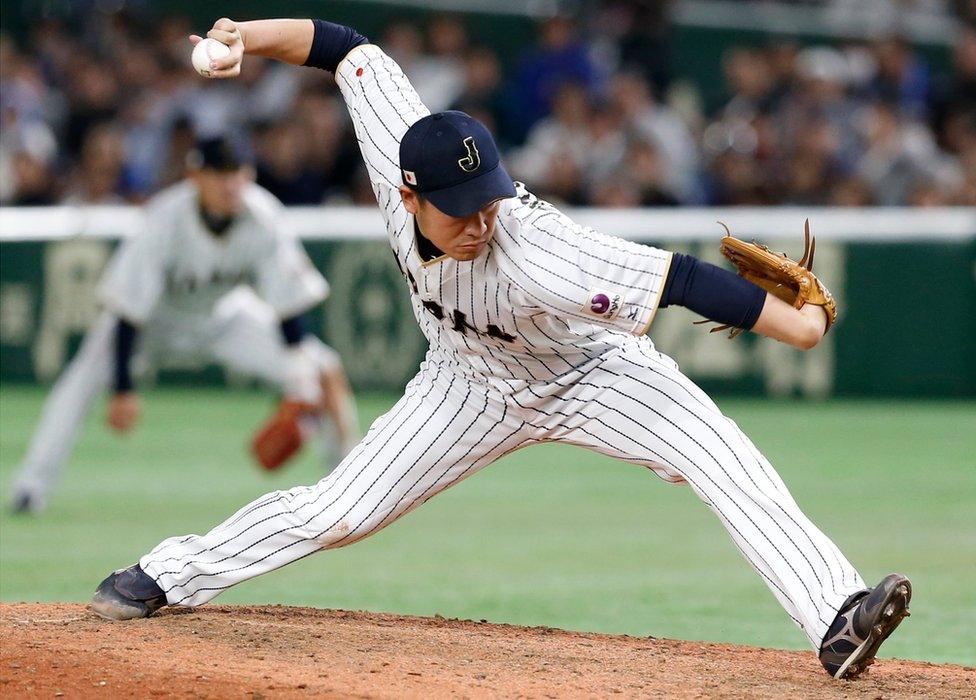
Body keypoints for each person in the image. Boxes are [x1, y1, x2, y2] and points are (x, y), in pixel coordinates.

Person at [91, 19, 911, 680]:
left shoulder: (542, 248)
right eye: (460, 210)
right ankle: (166, 574)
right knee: (337, 512)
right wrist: (244, 30)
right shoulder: (396, 149)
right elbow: (345, 49)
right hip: (464, 386)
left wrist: (796, 325)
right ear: (407, 194)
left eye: (487, 200)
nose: (482, 221)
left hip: (592, 371)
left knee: (722, 459)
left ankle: (837, 615)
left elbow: (685, 278)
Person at [10, 136, 359, 514]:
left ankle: (344, 489)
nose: (230, 185)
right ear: (195, 176)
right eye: (219, 175)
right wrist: (123, 388)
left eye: (238, 174)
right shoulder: (166, 216)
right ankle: (32, 485)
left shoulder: (263, 215)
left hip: (222, 316)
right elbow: (128, 308)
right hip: (152, 321)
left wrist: (300, 381)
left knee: (324, 367)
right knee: (77, 384)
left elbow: (288, 301)